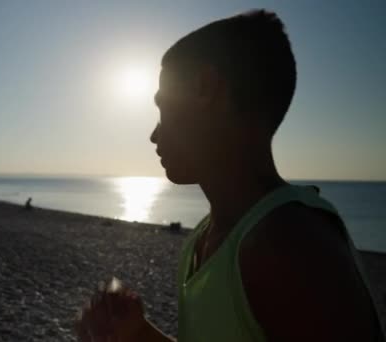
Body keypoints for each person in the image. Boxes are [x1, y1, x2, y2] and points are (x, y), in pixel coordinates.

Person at [75, 9, 384, 342]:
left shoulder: (290, 244)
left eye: (163, 108)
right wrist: (138, 335)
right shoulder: (206, 237)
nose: (153, 134)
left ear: (205, 88)